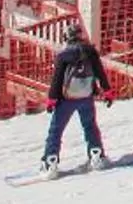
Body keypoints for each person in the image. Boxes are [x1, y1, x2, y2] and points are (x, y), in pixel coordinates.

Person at [39, 25, 113, 174]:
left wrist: (51, 100)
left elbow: (57, 80)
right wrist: (108, 91)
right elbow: (100, 73)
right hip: (86, 97)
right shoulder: (91, 52)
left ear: (66, 37)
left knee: (56, 130)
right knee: (90, 126)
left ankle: (50, 161)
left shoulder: (63, 56)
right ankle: (96, 153)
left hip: (67, 99)